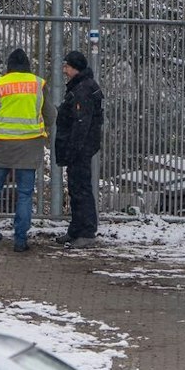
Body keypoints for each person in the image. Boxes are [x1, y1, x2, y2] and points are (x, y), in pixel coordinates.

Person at [0, 48, 46, 253]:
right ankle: (20, 240)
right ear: (27, 66)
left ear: (9, 66)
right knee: (24, 194)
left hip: (1, 146)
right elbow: (49, 113)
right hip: (29, 145)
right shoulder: (37, 83)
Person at [53, 50, 103, 245]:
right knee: (76, 188)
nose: (64, 70)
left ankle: (86, 231)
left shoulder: (82, 90)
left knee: (80, 189)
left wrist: (72, 149)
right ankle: (77, 229)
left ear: (75, 68)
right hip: (81, 147)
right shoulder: (84, 86)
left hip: (79, 149)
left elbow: (81, 123)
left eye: (67, 66)